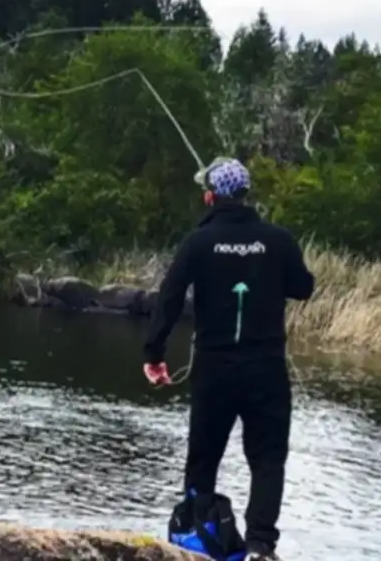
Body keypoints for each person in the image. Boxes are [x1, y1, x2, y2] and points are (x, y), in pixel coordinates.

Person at [143, 158, 315, 561]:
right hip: (266, 370)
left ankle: (199, 537)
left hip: (214, 371)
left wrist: (154, 353)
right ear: (245, 194)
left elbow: (169, 298)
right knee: (268, 458)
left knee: (203, 456)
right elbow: (303, 287)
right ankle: (260, 546)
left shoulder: (198, 242)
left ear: (210, 197)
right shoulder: (278, 239)